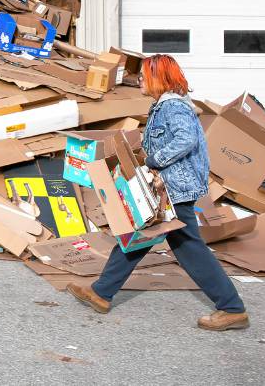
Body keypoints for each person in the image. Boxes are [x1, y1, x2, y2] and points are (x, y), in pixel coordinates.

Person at [66, 54, 249, 331]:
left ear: (159, 78)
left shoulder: (173, 106)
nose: (139, 79)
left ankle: (232, 308)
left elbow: (185, 140)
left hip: (176, 188)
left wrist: (154, 161)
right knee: (137, 237)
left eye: (144, 75)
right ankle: (101, 292)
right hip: (169, 186)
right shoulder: (161, 106)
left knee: (187, 247)